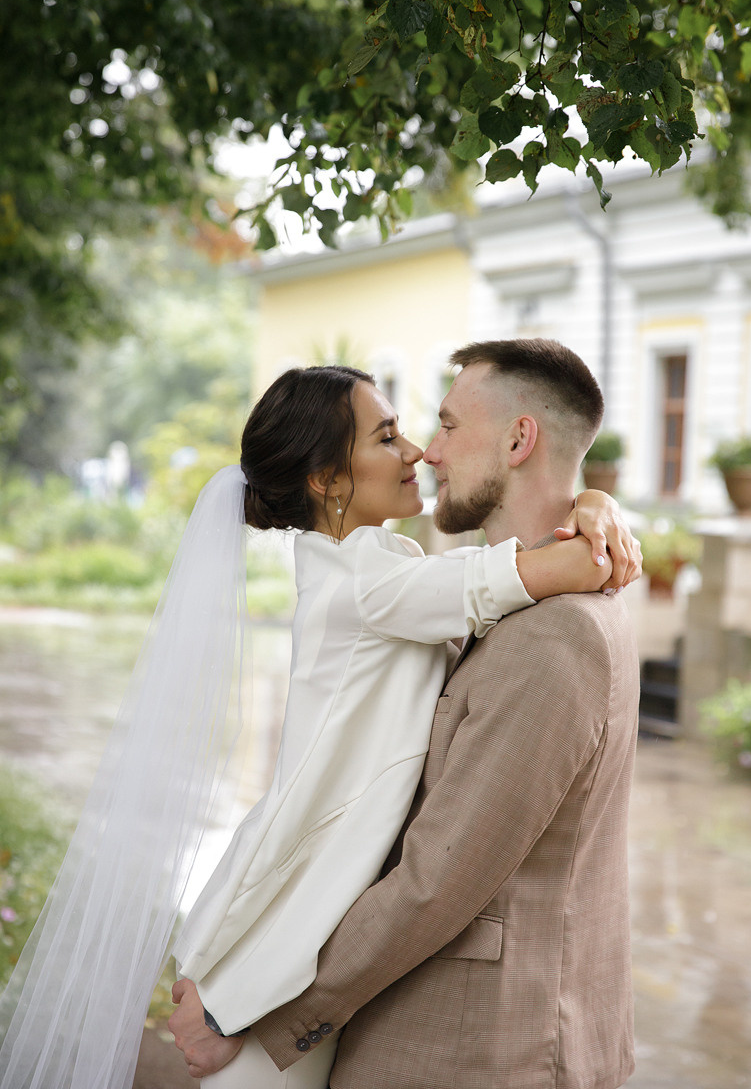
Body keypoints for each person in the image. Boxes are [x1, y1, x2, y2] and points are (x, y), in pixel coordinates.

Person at [169, 339, 641, 1089]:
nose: (427, 450)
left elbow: (435, 882)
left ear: (519, 440)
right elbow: (515, 577)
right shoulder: (371, 584)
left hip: (479, 1044)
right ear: (328, 481)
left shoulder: (555, 635)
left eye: (446, 426)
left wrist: (593, 503)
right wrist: (593, 512)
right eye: (392, 435)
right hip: (303, 932)